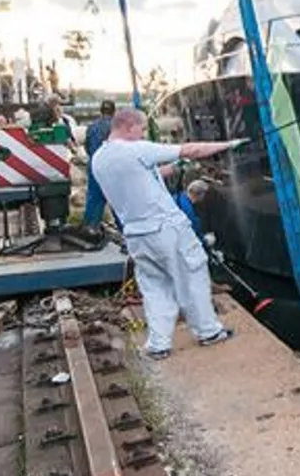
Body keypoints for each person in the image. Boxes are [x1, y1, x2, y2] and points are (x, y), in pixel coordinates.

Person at [91, 108, 246, 360]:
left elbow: (145, 175)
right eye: (141, 129)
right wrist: (229, 144)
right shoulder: (136, 149)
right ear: (129, 126)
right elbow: (191, 149)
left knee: (155, 288)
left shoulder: (99, 158)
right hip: (166, 229)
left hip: (136, 234)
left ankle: (159, 345)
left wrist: (176, 167)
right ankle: (208, 331)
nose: (142, 134)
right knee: (192, 274)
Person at [83, 100, 117, 229]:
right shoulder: (115, 127)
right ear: (114, 112)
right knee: (117, 198)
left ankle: (90, 226)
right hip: (111, 166)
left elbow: (87, 146)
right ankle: (125, 229)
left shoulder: (91, 126)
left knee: (93, 197)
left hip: (94, 165)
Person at [175, 179, 209, 244]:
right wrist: (205, 241)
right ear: (200, 194)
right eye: (204, 194)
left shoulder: (178, 197)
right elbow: (193, 231)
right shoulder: (188, 210)